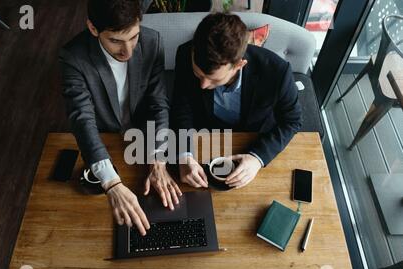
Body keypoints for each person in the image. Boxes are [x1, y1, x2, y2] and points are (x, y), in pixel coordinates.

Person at [60, 0, 181, 236]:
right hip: (104, 139)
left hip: (143, 137)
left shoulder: (152, 41)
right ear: (93, 29)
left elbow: (158, 104)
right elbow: (82, 119)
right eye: (115, 40)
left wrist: (157, 160)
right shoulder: (72, 57)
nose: (128, 51)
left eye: (133, 37)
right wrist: (112, 184)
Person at [172, 13, 302, 189]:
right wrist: (184, 155)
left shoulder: (277, 72)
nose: (203, 85)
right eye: (198, 75)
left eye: (214, 80)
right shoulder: (185, 54)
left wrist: (258, 158)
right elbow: (182, 108)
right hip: (205, 138)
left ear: (239, 65)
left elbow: (292, 121)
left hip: (254, 141)